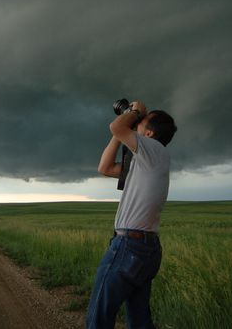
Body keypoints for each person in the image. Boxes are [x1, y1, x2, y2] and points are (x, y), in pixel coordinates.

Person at [86, 100, 177, 329]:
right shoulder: (146, 161)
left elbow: (116, 127)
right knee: (138, 320)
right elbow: (104, 168)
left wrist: (135, 111)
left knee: (99, 317)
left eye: (141, 121)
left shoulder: (153, 150)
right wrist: (125, 125)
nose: (136, 122)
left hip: (130, 247)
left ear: (148, 133)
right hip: (144, 249)